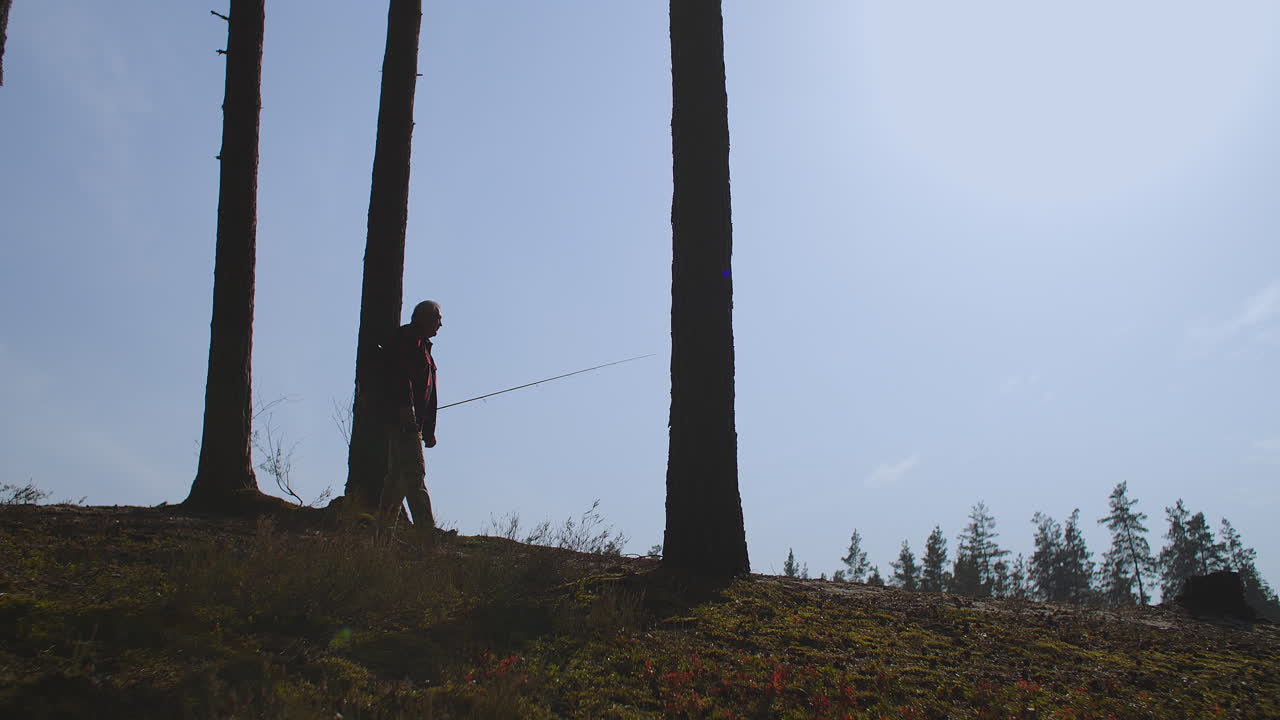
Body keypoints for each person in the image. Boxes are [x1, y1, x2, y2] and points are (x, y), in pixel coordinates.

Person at [380, 300, 443, 535]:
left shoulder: (424, 346)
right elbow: (400, 374)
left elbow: (429, 394)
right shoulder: (408, 339)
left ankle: (381, 538)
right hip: (404, 421)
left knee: (396, 482)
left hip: (413, 422)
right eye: (437, 318)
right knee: (415, 474)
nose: (440, 324)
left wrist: (428, 431)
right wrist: (406, 408)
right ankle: (427, 533)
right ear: (424, 318)